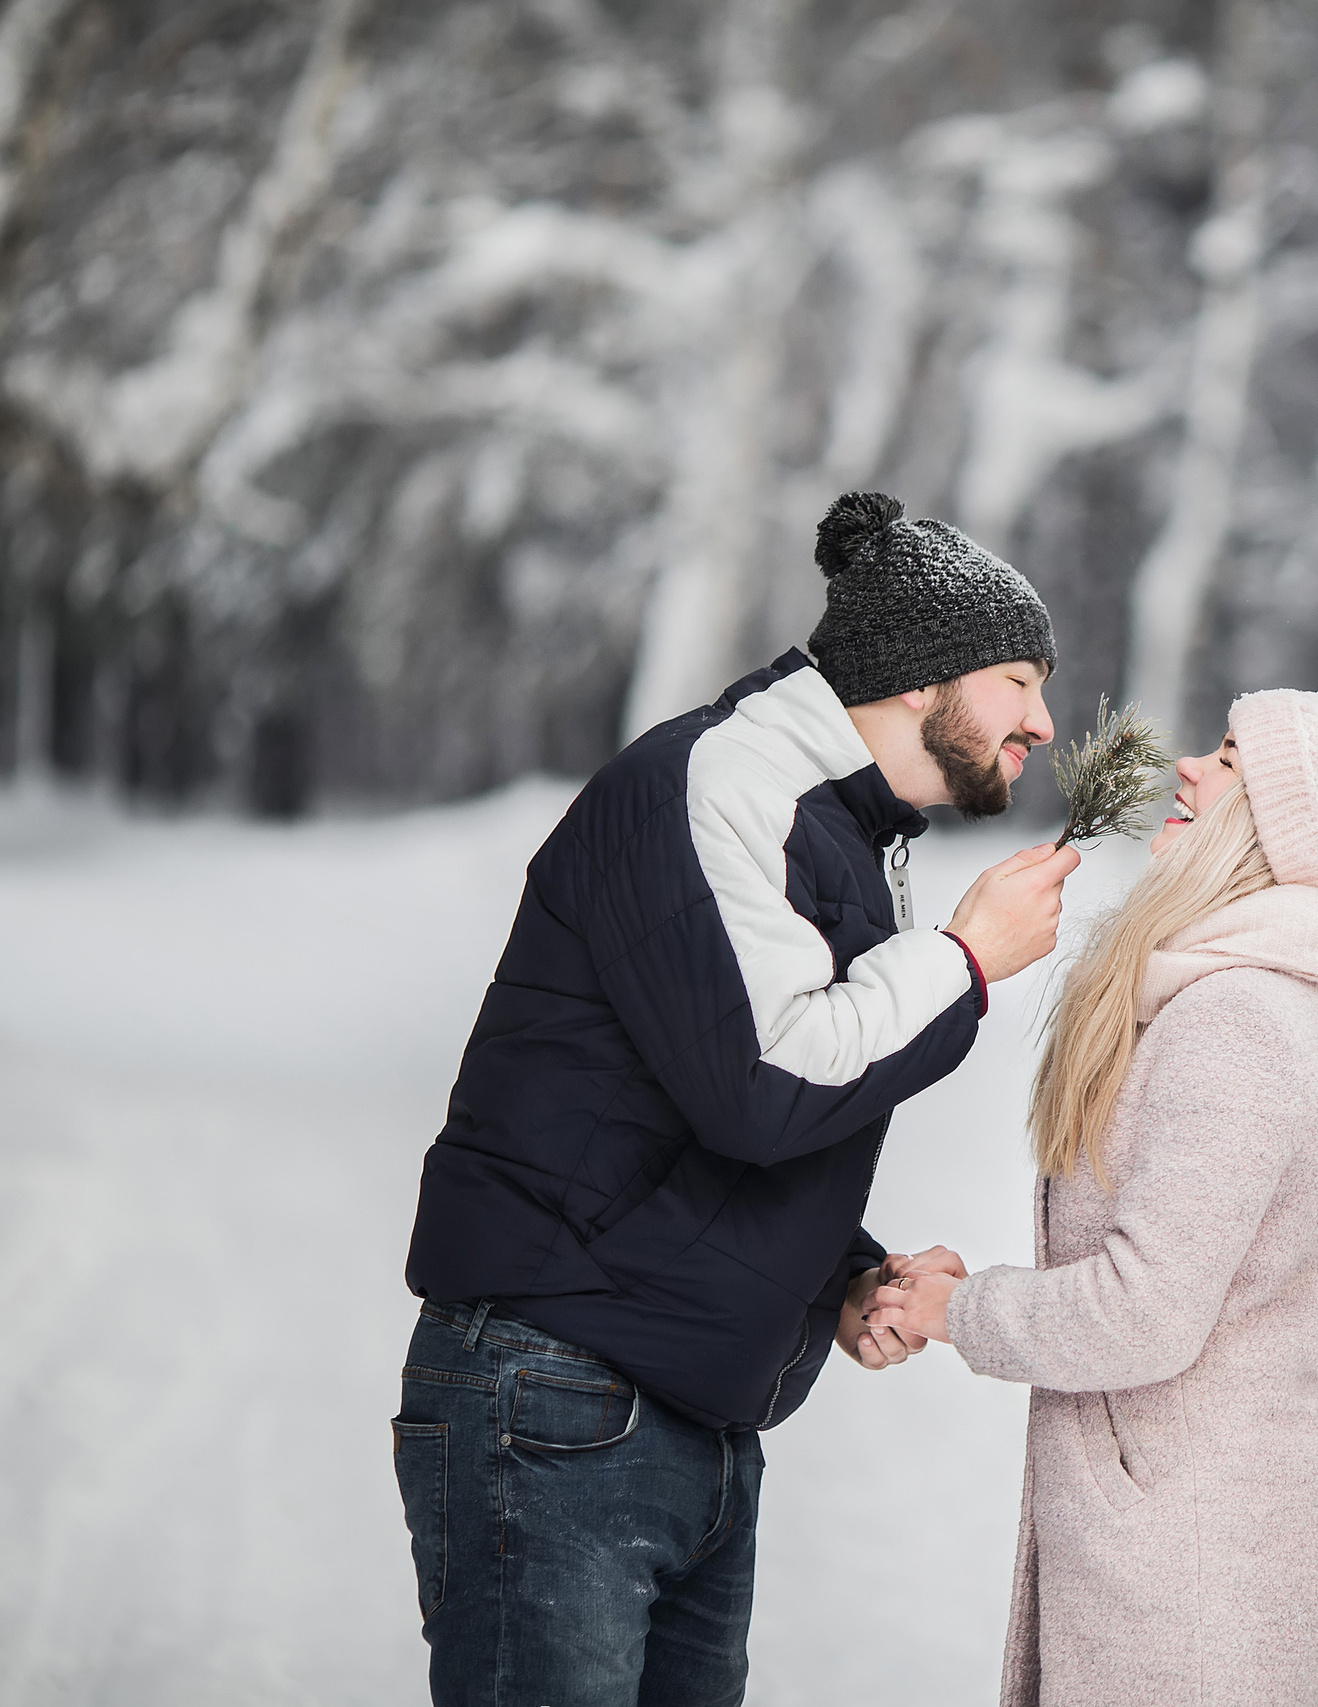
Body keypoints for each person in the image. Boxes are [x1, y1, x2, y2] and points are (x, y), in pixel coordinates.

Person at [391, 491, 1081, 1707]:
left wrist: (840, 1272)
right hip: (565, 1391)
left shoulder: (831, 824)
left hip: (674, 1412)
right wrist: (963, 961)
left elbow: (700, 1096)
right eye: (1018, 680)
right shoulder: (723, 783)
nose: (1041, 720)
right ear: (922, 679)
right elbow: (766, 1086)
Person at [865, 689, 1318, 1707]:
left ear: (1294, 825)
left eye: (1230, 760)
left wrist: (960, 1310)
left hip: (1195, 1568)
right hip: (1188, 1530)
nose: (1189, 767)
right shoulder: (1250, 994)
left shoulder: (1241, 1021)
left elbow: (1144, 1312)